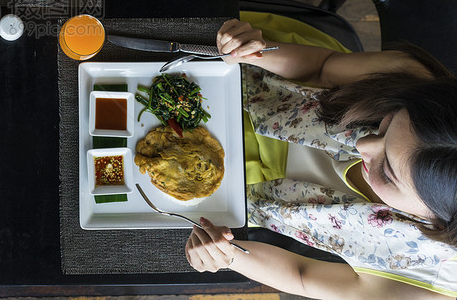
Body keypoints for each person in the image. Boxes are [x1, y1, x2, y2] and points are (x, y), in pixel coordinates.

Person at [184, 18, 457, 299]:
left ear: (437, 220)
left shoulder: (427, 278)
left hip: (254, 192)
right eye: (386, 127)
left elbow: (302, 275)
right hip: (277, 86)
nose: (363, 144)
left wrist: (225, 256)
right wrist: (256, 51)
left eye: (387, 171)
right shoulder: (414, 79)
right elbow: (321, 67)